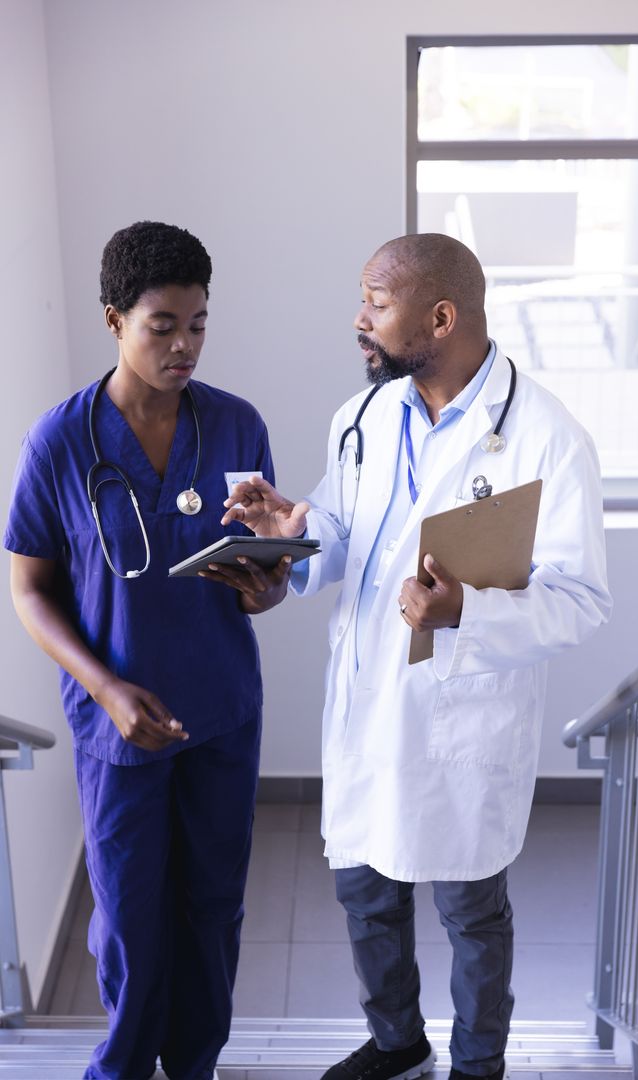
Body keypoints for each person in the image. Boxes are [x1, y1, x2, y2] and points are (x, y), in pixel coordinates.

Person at [222, 233, 612, 1080]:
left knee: (472, 909)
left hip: (459, 722)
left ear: (440, 317)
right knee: (366, 895)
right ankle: (398, 1042)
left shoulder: (546, 437)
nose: (358, 319)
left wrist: (465, 611)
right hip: (367, 709)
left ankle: (479, 1065)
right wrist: (293, 534)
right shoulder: (362, 416)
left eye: (376, 301)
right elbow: (344, 539)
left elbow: (579, 600)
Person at [4, 221, 291, 1080]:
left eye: (198, 323)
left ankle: (196, 1062)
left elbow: (265, 568)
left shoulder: (237, 424)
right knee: (129, 913)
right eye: (161, 325)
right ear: (113, 321)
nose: (184, 345)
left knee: (213, 905)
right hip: (115, 727)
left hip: (220, 710)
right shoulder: (61, 443)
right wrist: (107, 689)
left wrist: (269, 588)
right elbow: (30, 589)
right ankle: (124, 1066)